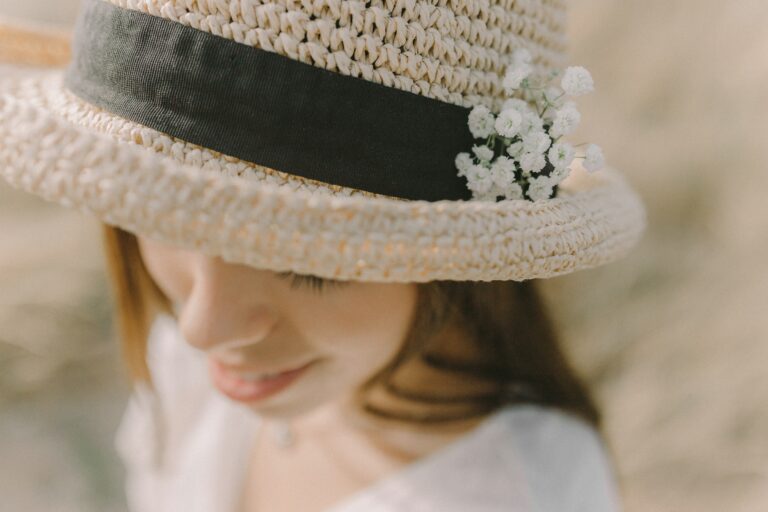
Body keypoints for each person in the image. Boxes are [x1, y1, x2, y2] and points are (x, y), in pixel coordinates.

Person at [0, 0, 646, 510]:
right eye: (166, 217)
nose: (202, 326)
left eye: (304, 262)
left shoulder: (517, 495)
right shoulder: (220, 355)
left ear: (463, 254)